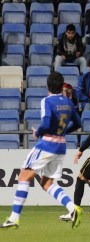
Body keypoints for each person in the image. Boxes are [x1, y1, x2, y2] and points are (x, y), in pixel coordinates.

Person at [0, 72, 82, 229]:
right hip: (61, 147)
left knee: (24, 175)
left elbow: (45, 122)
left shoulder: (47, 101)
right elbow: (78, 123)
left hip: (47, 144)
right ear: (61, 85)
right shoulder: (68, 102)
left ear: (48, 85)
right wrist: (63, 132)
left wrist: (38, 132)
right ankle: (72, 208)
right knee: (47, 183)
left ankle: (14, 218)